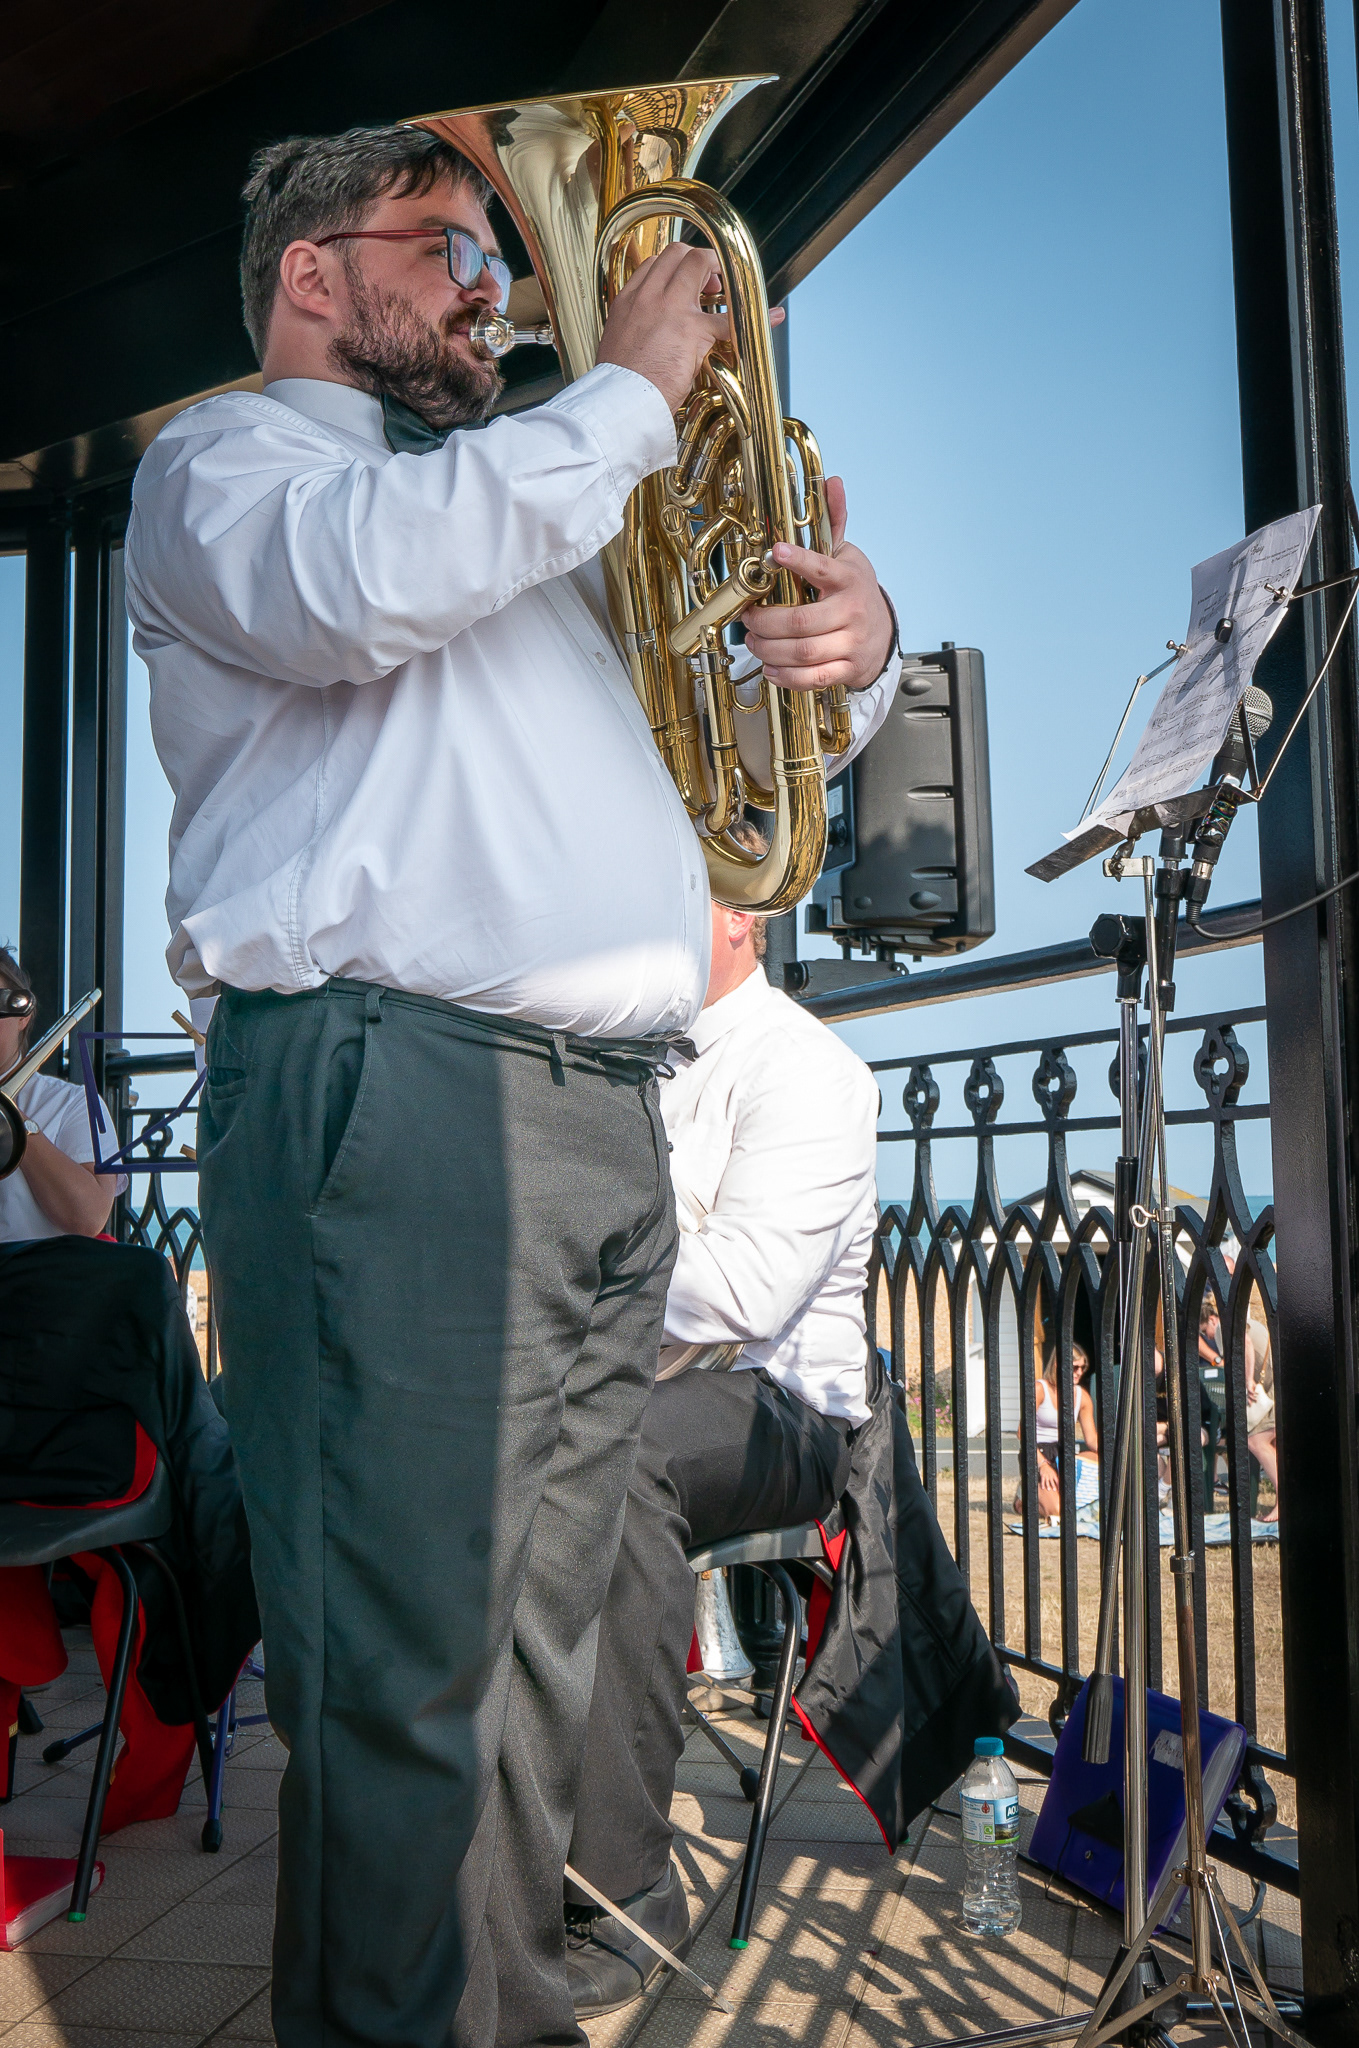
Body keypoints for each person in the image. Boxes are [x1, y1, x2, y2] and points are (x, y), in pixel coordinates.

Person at [123, 124, 901, 2048]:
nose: (495, 280)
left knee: (525, 1686)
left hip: (590, 1110)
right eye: (451, 246)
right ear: (315, 274)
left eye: (497, 246)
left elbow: (715, 725)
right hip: (402, 1097)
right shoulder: (229, 466)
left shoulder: (520, 506)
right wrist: (629, 392)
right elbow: (360, 589)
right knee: (411, 1690)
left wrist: (851, 650)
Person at [0, 944, 259, 1804]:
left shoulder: (63, 1105)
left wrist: (14, 1127)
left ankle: (151, 1717)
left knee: (162, 1502)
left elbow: (87, 1214)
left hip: (70, 1390)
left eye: (1, 1007)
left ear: (25, 1017)